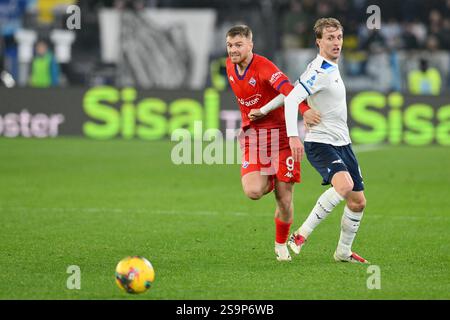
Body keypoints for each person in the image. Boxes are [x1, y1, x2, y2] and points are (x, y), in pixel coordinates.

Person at [250, 18, 369, 264]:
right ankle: (300, 235)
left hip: (342, 143)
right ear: (318, 42)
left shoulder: (327, 67)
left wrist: (264, 109)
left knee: (357, 202)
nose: (336, 43)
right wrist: (294, 136)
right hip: (320, 142)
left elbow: (291, 91)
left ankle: (343, 252)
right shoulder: (319, 70)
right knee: (344, 187)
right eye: (330, 38)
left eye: (339, 37)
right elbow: (294, 101)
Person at [225, 25, 321, 262]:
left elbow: (288, 90)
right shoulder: (229, 66)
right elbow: (250, 102)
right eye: (229, 45)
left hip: (281, 138)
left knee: (284, 199)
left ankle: (280, 245)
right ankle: (274, 178)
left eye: (238, 45)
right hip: (254, 137)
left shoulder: (264, 66)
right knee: (253, 191)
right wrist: (246, 123)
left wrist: (305, 109)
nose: (233, 50)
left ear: (250, 45)